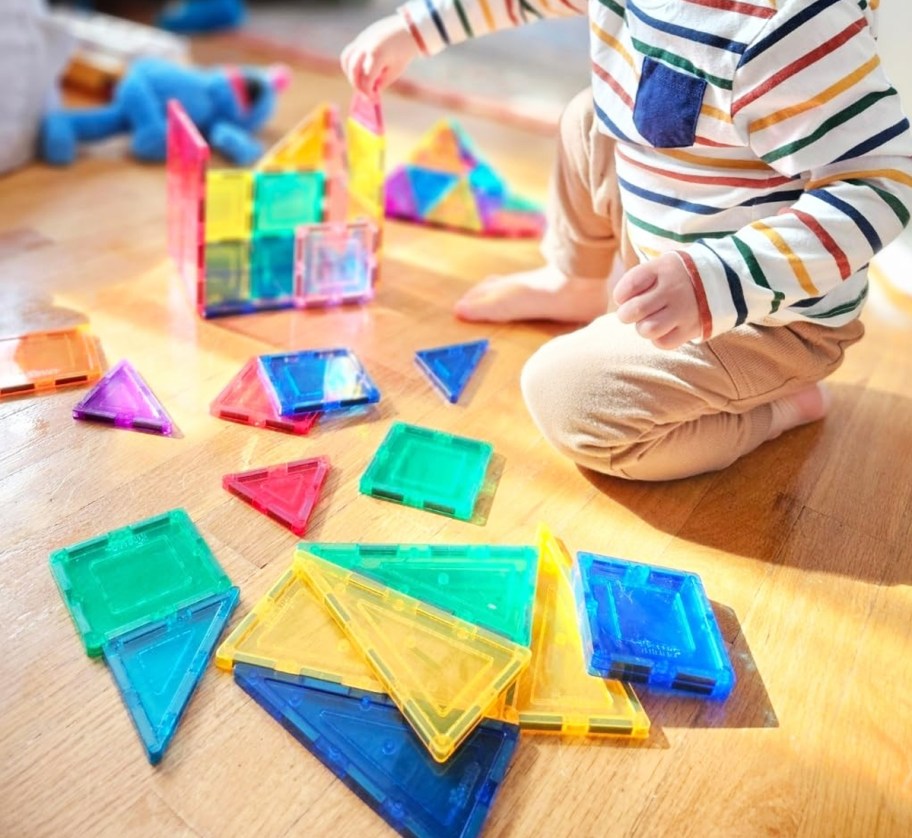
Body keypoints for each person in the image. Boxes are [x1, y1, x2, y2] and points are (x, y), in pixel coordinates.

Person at [341, 1, 912, 480]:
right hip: (667, 250)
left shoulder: (796, 24)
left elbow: (881, 183)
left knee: (567, 398)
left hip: (767, 321)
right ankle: (575, 279)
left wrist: (720, 277)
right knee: (589, 115)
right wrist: (414, 29)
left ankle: (782, 407)